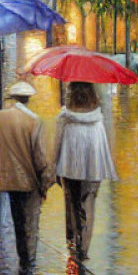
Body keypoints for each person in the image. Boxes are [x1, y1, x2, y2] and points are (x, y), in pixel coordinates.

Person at [0, 80, 54, 270]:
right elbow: (40, 157)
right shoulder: (34, 122)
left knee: (18, 220)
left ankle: (23, 258)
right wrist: (46, 181)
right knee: (30, 223)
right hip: (30, 182)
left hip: (7, 181)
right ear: (28, 99)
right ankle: (28, 263)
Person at [52, 81, 118, 261]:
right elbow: (105, 145)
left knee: (72, 203)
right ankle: (84, 248)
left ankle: (74, 239)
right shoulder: (98, 119)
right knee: (88, 205)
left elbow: (57, 144)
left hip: (70, 167)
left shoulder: (64, 117)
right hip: (93, 168)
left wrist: (53, 168)